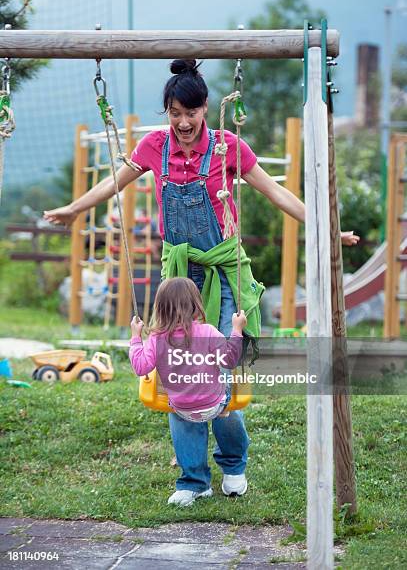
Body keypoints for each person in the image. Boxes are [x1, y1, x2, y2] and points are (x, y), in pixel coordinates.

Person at [43, 58, 359, 503]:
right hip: (180, 275)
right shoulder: (155, 147)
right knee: (180, 375)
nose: (183, 122)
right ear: (167, 112)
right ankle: (193, 479)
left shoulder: (228, 147)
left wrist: (327, 228)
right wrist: (75, 210)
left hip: (223, 270)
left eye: (190, 113)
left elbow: (275, 191)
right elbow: (114, 184)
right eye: (175, 113)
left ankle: (233, 466)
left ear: (205, 108)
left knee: (220, 367)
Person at [130, 277, 248, 506]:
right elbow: (231, 360)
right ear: (196, 304)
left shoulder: (156, 338)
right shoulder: (208, 332)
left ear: (159, 306)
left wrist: (136, 337)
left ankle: (195, 483)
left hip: (183, 408)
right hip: (215, 404)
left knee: (179, 416)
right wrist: (236, 330)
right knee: (229, 400)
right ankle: (232, 469)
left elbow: (141, 367)